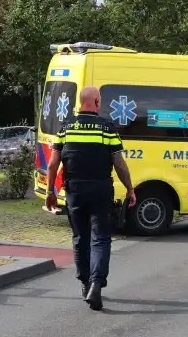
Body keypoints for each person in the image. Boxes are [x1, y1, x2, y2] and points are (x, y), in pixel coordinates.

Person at [45, 85, 135, 311]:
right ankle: (96, 283)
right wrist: (130, 188)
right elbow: (119, 163)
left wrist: (50, 192)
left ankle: (85, 283)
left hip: (74, 190)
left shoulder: (66, 128)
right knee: (101, 238)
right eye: (100, 100)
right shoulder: (106, 128)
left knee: (80, 238)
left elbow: (54, 163)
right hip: (101, 190)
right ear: (96, 102)